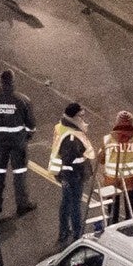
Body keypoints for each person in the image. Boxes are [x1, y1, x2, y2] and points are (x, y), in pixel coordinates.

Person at [0, 73, 34, 216]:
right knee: (19, 173)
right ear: (13, 82)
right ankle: (22, 205)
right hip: (18, 143)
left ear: (0, 82)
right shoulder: (23, 100)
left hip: (0, 143)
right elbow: (31, 125)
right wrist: (25, 137)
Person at [49, 104, 93, 244]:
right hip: (72, 174)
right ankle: (76, 233)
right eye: (80, 115)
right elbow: (70, 158)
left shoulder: (60, 127)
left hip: (63, 171)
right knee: (75, 204)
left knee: (66, 203)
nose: (83, 118)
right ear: (74, 117)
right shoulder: (72, 136)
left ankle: (64, 231)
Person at [99, 112, 133, 225]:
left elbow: (101, 159)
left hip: (112, 178)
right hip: (132, 178)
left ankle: (113, 225)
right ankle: (130, 226)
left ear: (117, 122)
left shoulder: (107, 139)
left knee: (112, 209)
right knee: (131, 207)